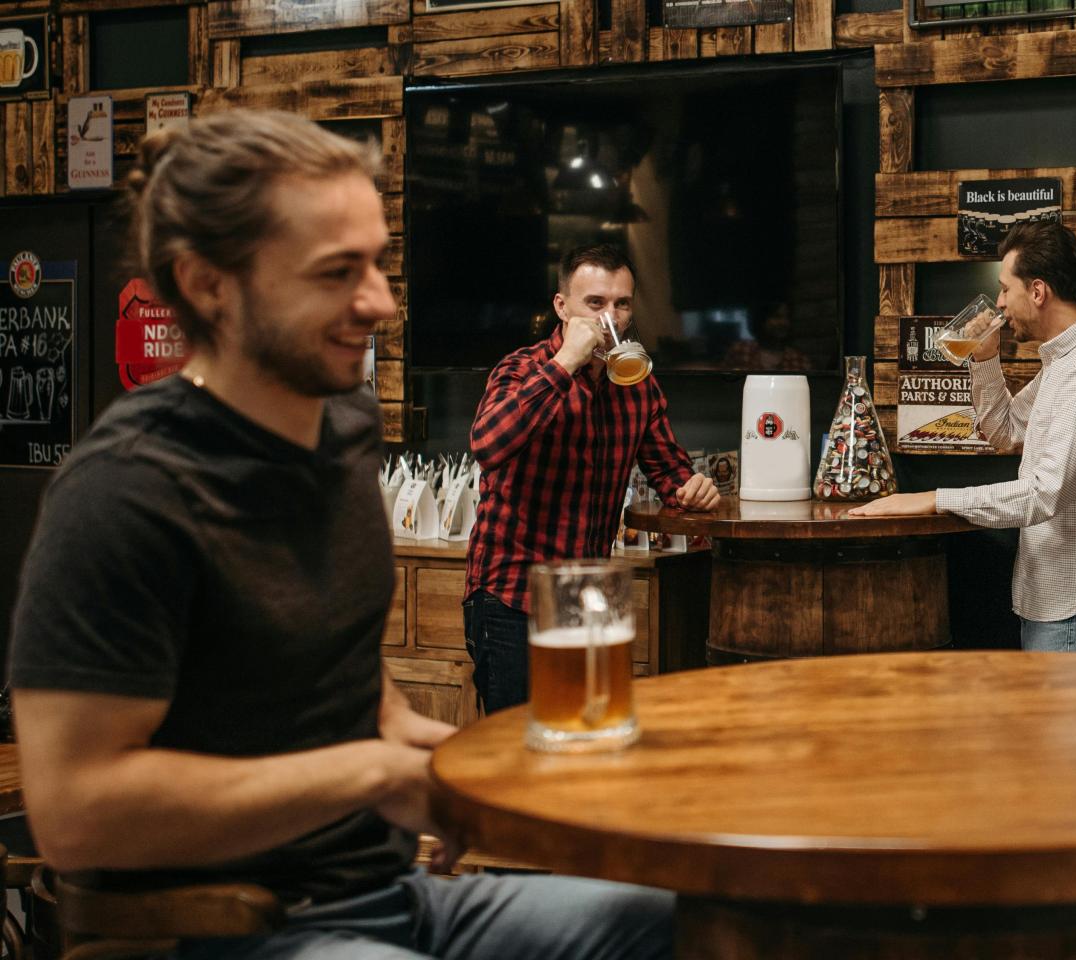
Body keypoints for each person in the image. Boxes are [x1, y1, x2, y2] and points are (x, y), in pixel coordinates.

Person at [7, 109, 672, 960]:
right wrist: (372, 776)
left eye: (379, 265)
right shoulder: (126, 492)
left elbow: (356, 693)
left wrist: (479, 770)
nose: (380, 303)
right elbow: (74, 814)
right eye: (336, 273)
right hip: (246, 924)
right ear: (208, 283)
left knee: (687, 921)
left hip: (399, 892)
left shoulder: (343, 430)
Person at [850, 221, 1076, 652]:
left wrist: (934, 499)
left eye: (1006, 289)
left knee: (1065, 724)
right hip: (1058, 599)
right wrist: (986, 358)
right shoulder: (1067, 361)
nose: (1001, 304)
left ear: (1039, 291)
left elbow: (1043, 494)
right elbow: (1005, 432)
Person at [464, 244, 718, 713]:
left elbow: (670, 473)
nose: (611, 318)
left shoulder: (636, 383)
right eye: (595, 303)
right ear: (562, 307)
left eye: (622, 304)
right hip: (512, 598)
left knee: (584, 742)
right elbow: (487, 445)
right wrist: (565, 365)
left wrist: (694, 489)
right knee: (518, 749)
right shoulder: (520, 369)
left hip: (589, 602)